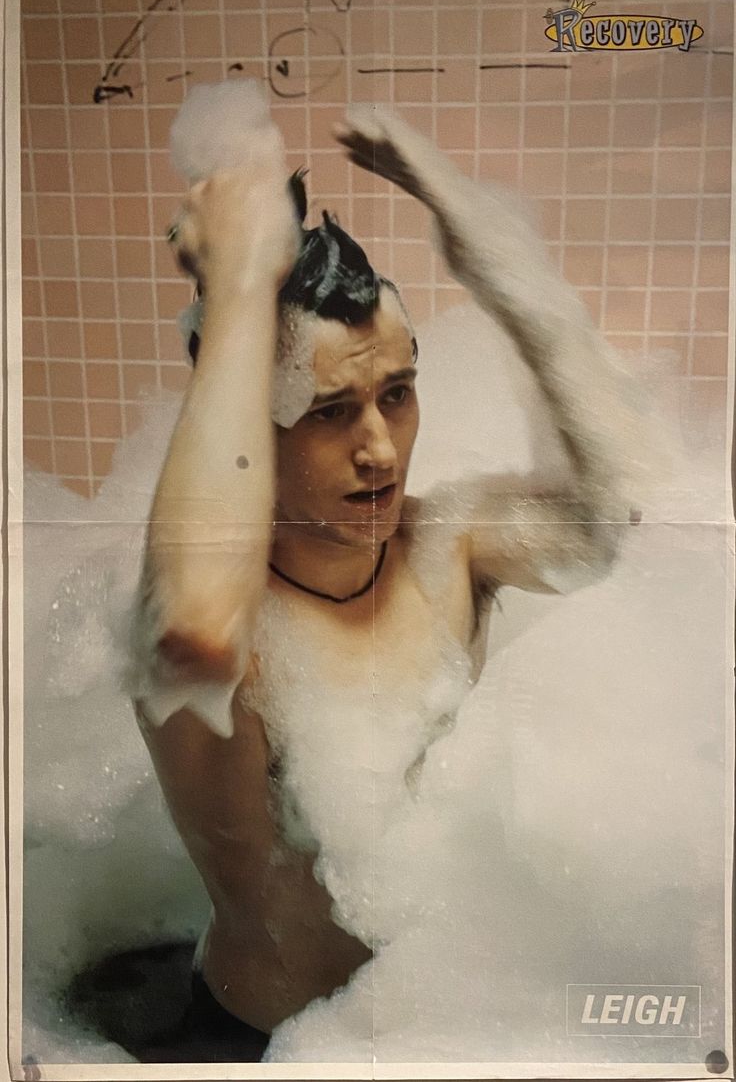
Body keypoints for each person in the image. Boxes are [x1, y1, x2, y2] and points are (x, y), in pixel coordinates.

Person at [131, 104, 637, 1061]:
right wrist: (239, 288)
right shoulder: (220, 629)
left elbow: (607, 522)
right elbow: (189, 629)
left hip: (436, 1011)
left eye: (396, 396)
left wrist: (470, 221)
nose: (379, 450)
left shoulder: (449, 545)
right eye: (329, 411)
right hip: (271, 1041)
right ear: (254, 427)